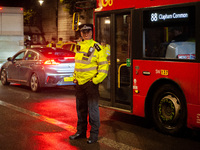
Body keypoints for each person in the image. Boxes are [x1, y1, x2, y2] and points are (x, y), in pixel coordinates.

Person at [69, 24, 109, 144]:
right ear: (81, 33)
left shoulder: (96, 47)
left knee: (93, 110)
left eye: (88, 31)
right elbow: (78, 65)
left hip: (90, 84)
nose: (86, 33)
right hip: (80, 84)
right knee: (81, 110)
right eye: (83, 31)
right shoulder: (79, 47)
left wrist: (96, 80)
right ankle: (81, 132)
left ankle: (94, 135)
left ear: (92, 32)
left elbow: (104, 66)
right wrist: (75, 78)